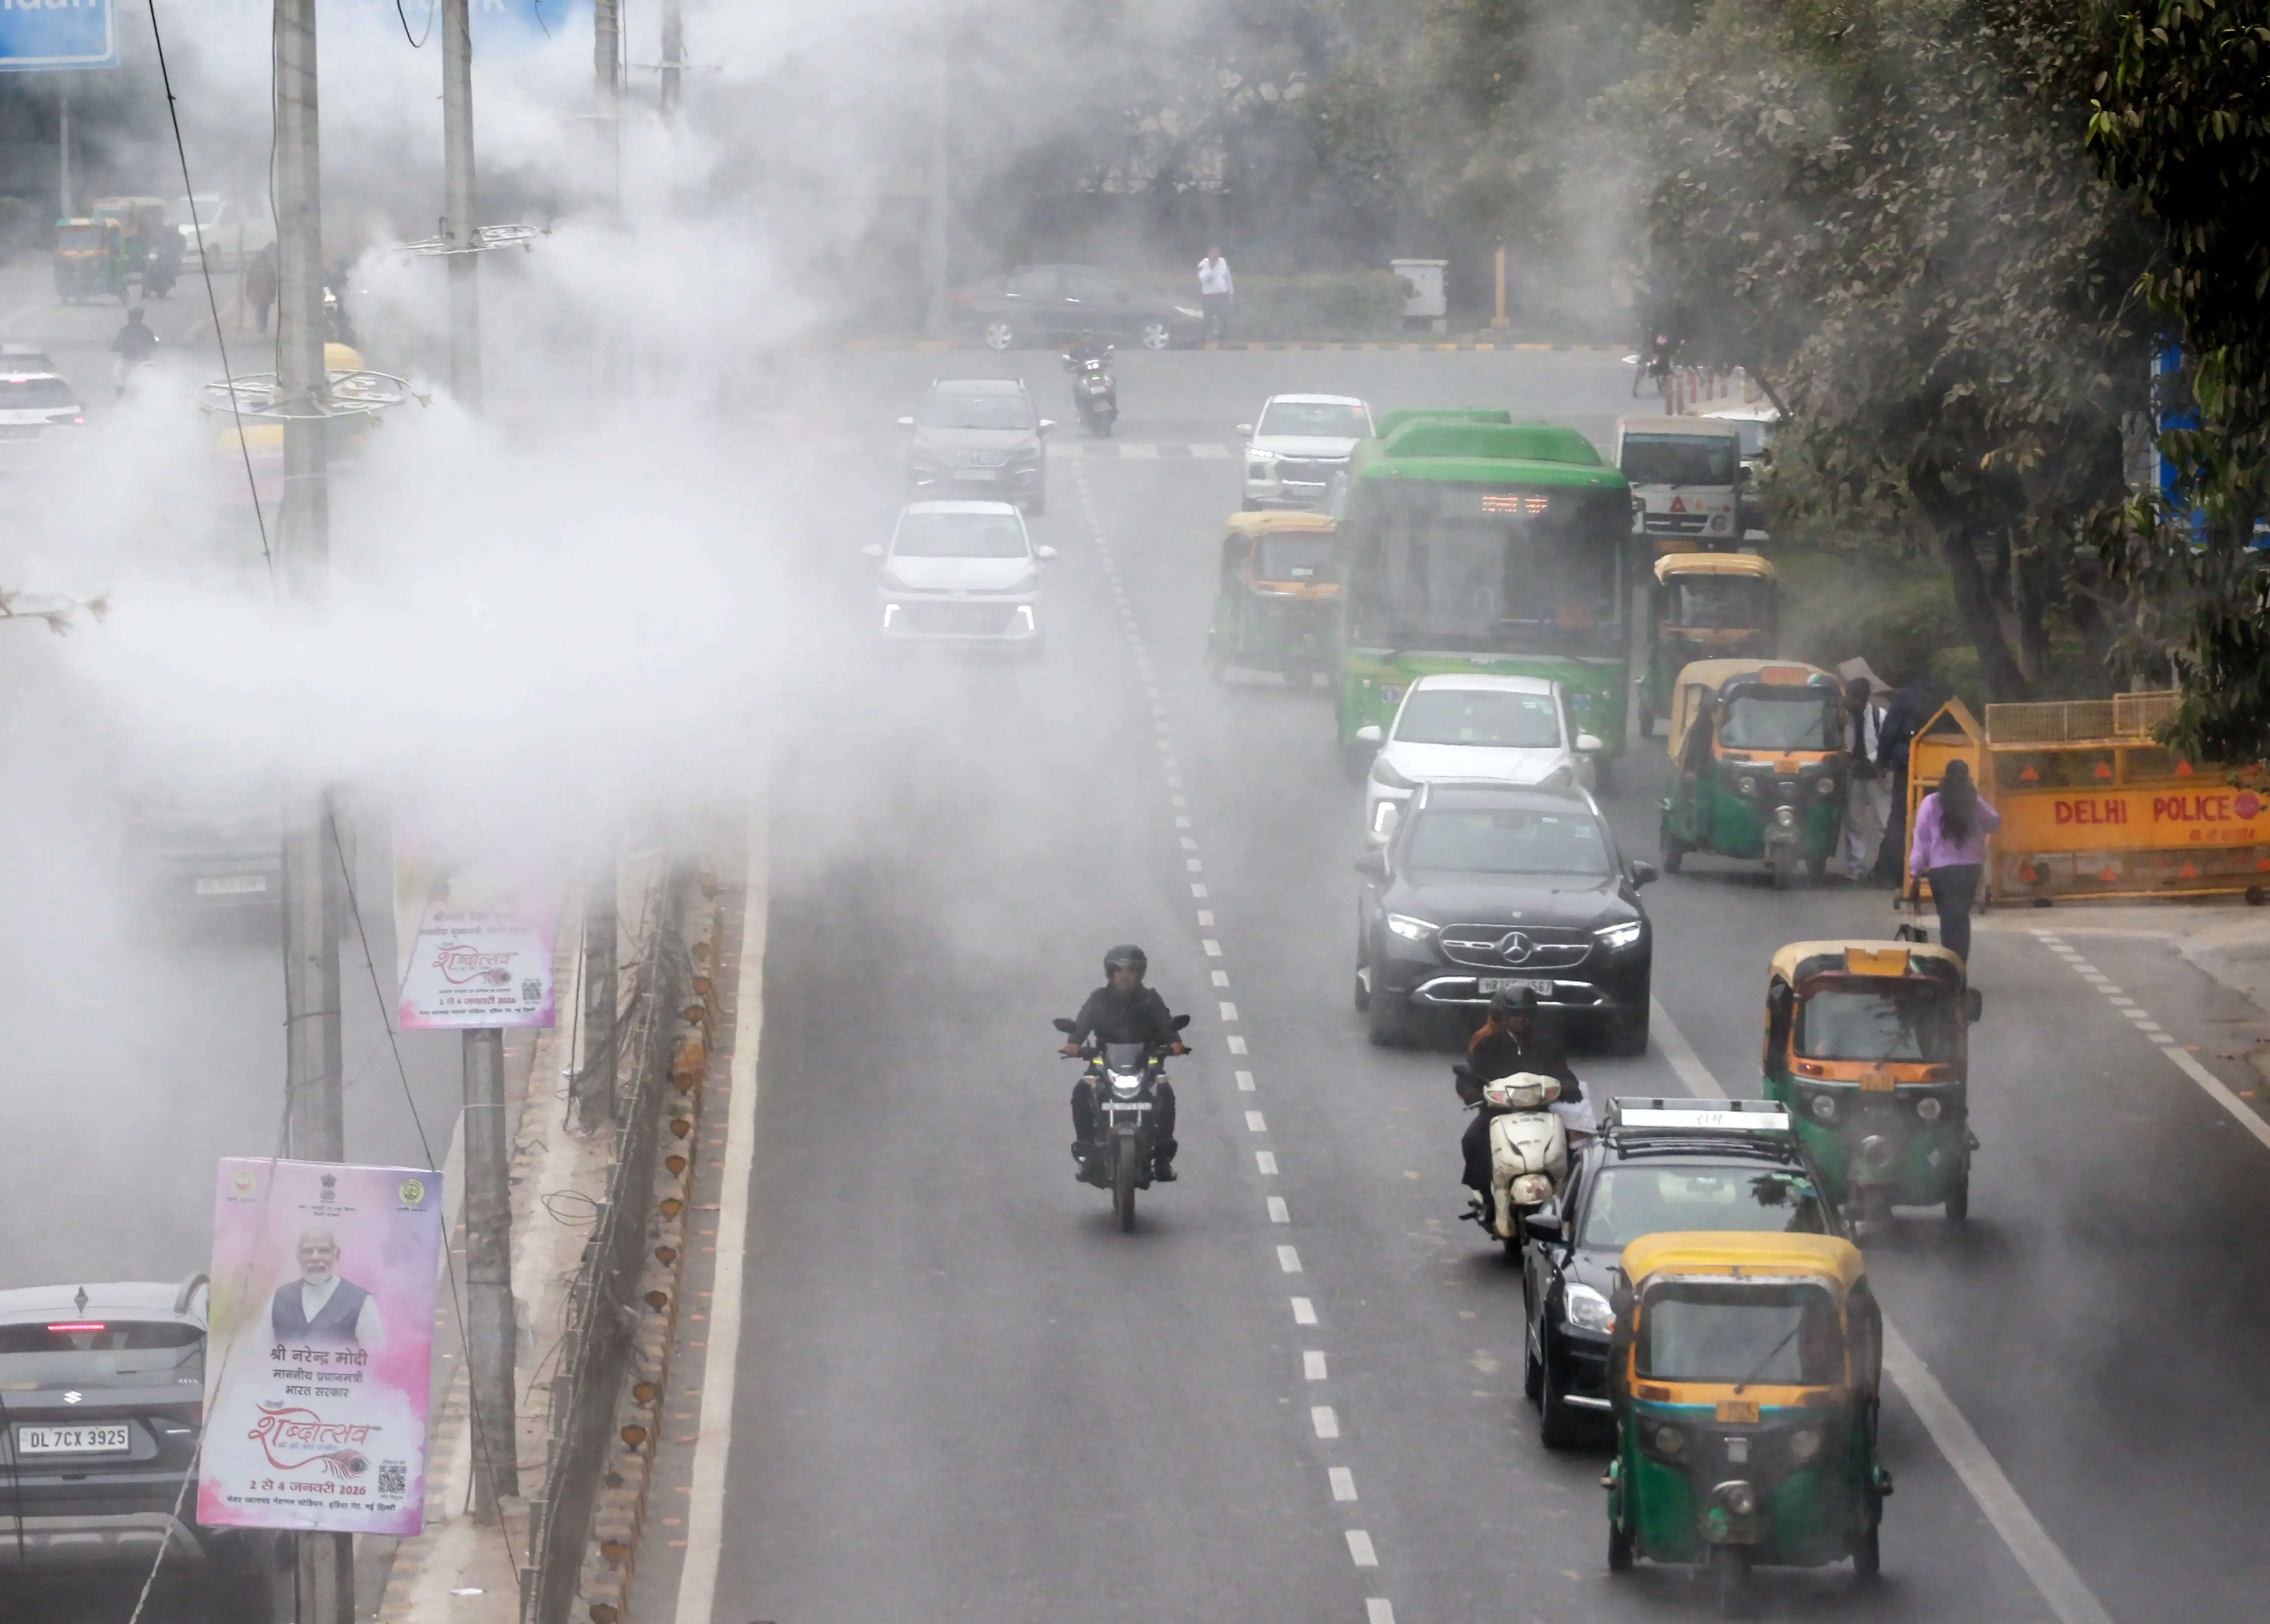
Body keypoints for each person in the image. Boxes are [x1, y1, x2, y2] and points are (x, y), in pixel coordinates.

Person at [1061, 943, 1188, 1179]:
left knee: (1165, 1091)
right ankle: (1087, 1150)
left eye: (1131, 971)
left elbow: (1165, 1025)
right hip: (1104, 1060)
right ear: (1110, 974)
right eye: (1119, 971)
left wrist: (1175, 1043)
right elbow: (1082, 1024)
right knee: (1081, 1091)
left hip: (1146, 1061)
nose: (1125, 976)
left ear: (1140, 974)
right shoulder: (1098, 998)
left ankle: (1162, 1157)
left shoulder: (1151, 999)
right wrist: (1074, 1043)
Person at [1455, 987, 1581, 1201]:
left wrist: (1570, 1087)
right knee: (1473, 1140)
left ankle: (1566, 1196)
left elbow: (1564, 1073)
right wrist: (1471, 1093)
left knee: (1572, 1146)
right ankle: (1486, 1194)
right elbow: (1468, 1076)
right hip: (1497, 1114)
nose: (1521, 1020)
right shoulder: (1488, 1045)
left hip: (1541, 1112)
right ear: (1504, 1017)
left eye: (1526, 1015)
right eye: (1515, 1015)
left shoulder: (1548, 1045)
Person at [1908, 758, 2000, 964]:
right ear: (1967, 777)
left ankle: (1949, 968)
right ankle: (1960, 968)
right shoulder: (1974, 802)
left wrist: (1915, 871)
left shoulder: (1931, 803)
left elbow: (1921, 841)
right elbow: (1995, 822)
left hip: (1942, 873)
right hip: (1970, 869)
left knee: (1948, 920)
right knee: (1961, 918)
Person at [269, 1226, 386, 1350]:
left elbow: (378, 1359)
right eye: (308, 1251)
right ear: (298, 1256)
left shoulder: (361, 1300)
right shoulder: (280, 1298)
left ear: (337, 1254)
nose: (315, 1257)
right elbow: (260, 1355)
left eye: (323, 1251)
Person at [1841, 677, 1891, 882]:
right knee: (1853, 821)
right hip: (1857, 777)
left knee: (1884, 824)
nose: (1847, 702)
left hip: (1878, 778)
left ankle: (1886, 867)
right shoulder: (1847, 718)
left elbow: (1888, 747)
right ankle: (1857, 867)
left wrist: (1878, 764)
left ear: (1860, 700)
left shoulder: (1881, 717)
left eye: (1851, 698)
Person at [109, 306, 157, 397]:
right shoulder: (147, 331)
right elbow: (154, 345)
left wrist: (114, 347)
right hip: (143, 364)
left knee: (117, 370)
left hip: (130, 364)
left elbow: (116, 345)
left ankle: (121, 392)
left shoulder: (125, 331)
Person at [1197, 248, 1233, 342]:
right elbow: (1203, 278)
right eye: (1213, 254)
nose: (1216, 256)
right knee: (1208, 317)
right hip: (1208, 296)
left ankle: (1223, 339)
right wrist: (1212, 270)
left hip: (1222, 295)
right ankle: (1206, 338)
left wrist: (1230, 293)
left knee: (1223, 317)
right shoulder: (1203, 264)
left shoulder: (1223, 262)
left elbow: (1228, 278)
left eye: (1217, 253)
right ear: (1209, 255)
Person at [245, 242, 278, 336]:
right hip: (263, 295)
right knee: (262, 312)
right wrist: (272, 295)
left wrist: (248, 293)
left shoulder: (258, 263)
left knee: (261, 312)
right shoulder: (268, 265)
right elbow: (272, 281)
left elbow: (250, 279)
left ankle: (262, 330)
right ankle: (262, 330)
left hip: (258, 295)